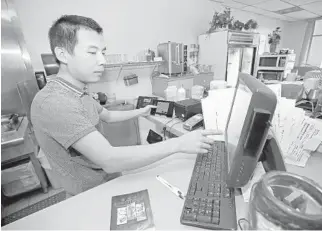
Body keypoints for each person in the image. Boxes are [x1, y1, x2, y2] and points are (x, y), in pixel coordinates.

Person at [31, 15, 220, 196]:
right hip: (90, 194)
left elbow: (108, 116)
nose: (102, 60)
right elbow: (109, 159)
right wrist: (179, 143)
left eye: (102, 52)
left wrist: (141, 111)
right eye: (92, 52)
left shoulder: (78, 90)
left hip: (109, 180)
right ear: (62, 54)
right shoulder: (55, 102)